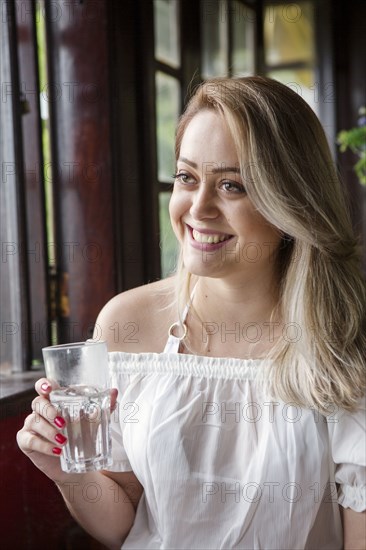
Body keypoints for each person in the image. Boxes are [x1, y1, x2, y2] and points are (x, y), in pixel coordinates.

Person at [17, 76, 366, 549]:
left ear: (292, 201)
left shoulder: (345, 335)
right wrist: (62, 468)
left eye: (232, 185)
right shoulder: (127, 323)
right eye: (187, 177)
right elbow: (127, 525)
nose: (198, 208)